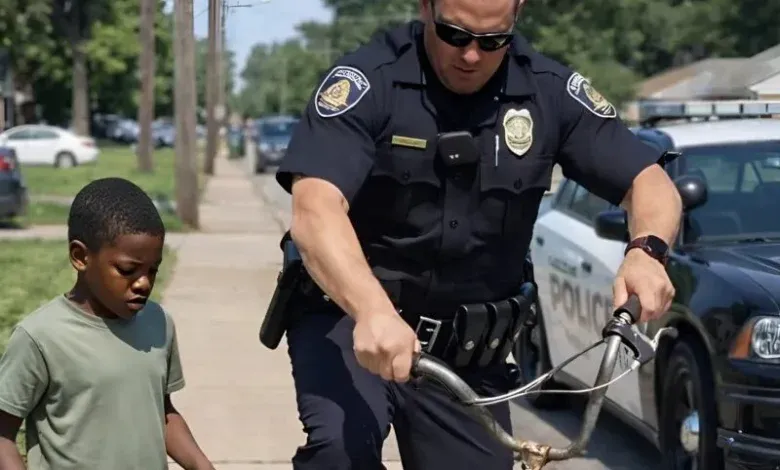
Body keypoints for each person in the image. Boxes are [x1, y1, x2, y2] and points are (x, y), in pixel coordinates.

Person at [272, 0, 682, 468]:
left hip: (464, 347)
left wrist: (647, 252)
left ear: (517, 15)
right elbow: (314, 208)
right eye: (456, 35)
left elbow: (648, 181)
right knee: (341, 451)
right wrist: (373, 310)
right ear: (426, 8)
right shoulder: (369, 81)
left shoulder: (548, 92)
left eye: (493, 41)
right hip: (351, 318)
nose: (471, 56)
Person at [0, 177, 215, 470]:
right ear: (80, 257)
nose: (143, 282)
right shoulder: (40, 337)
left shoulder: (158, 323)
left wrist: (203, 466)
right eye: (128, 270)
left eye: (153, 270)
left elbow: (162, 413)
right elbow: (3, 435)